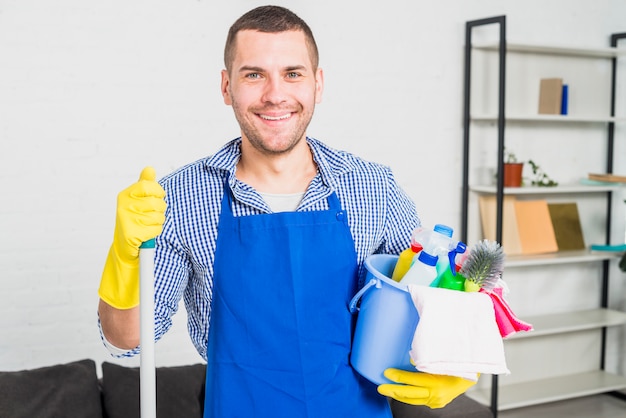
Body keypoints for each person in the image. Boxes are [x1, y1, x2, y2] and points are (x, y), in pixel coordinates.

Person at [97, 5, 475, 417]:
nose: (275, 94)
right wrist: (124, 257)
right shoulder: (181, 197)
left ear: (318, 83)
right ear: (226, 87)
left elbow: (433, 291)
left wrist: (460, 359)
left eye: (293, 73)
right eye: (254, 74)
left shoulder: (372, 188)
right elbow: (128, 339)